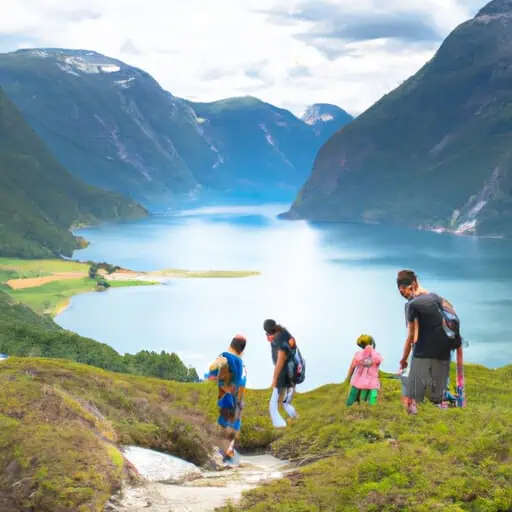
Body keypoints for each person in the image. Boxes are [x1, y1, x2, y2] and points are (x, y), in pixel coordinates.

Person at [397, 269, 453, 414]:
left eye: (404, 291)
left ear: (412, 285)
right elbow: (451, 312)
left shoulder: (412, 305)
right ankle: (443, 403)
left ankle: (413, 415)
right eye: (401, 292)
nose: (404, 294)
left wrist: (403, 359)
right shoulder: (433, 296)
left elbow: (411, 335)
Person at [205, 334, 247, 466]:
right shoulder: (242, 364)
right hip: (238, 400)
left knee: (223, 425)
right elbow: (242, 382)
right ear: (242, 350)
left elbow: (215, 366)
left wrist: (211, 373)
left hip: (226, 397)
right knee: (233, 427)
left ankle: (222, 456)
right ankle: (229, 453)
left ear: (231, 344)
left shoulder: (225, 355)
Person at [263, 319, 299, 428]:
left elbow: (280, 360)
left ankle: (281, 426)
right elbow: (292, 344)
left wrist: (274, 379)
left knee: (272, 405)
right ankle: (296, 418)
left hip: (283, 373)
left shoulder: (279, 339)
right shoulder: (283, 332)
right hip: (291, 372)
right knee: (285, 403)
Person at [345, 334, 383, 406]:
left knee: (352, 400)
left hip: (358, 381)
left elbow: (352, 368)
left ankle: (350, 409)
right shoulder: (377, 356)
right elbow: (376, 368)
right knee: (371, 401)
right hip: (372, 382)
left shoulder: (358, 355)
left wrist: (348, 378)